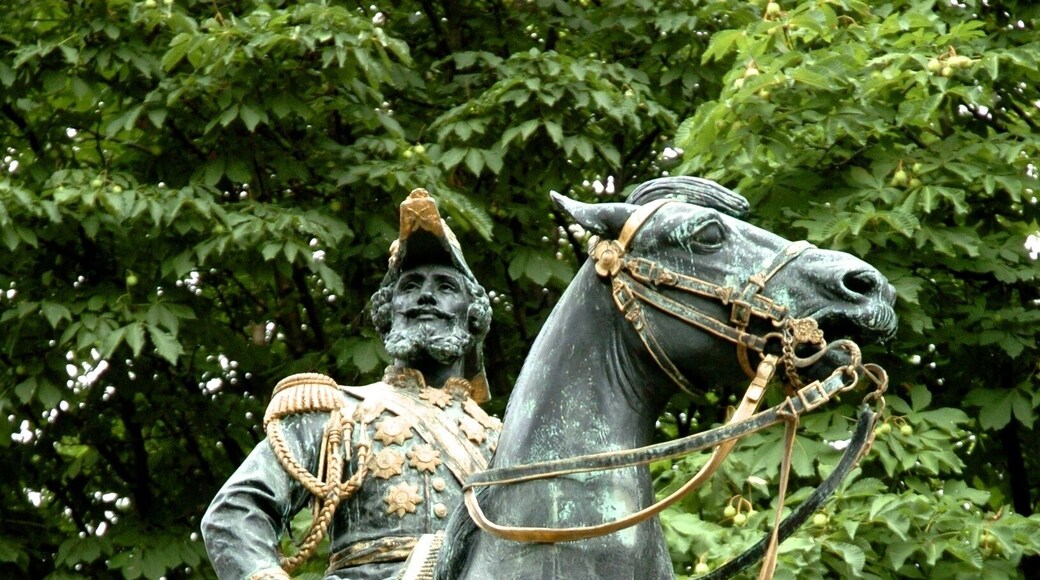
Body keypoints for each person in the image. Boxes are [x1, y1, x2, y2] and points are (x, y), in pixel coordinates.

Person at [201, 189, 501, 580]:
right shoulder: (340, 413)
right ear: (388, 313)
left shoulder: (501, 441)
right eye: (409, 286)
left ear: (473, 316)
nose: (425, 296)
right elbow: (235, 511)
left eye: (445, 287)